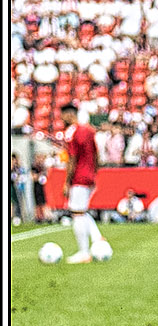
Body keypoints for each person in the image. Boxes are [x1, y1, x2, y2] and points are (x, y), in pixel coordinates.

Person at [59, 104, 107, 263]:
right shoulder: (89, 130)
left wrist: (67, 181)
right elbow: (97, 155)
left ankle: (83, 252)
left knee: (77, 213)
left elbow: (72, 158)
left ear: (69, 114)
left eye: (63, 115)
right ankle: (98, 239)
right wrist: (94, 173)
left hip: (79, 176)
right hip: (89, 175)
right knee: (83, 211)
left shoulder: (73, 132)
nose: (61, 118)